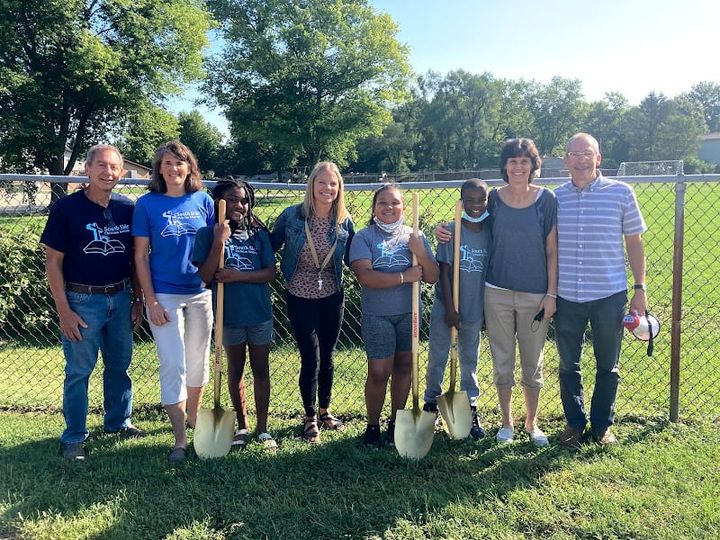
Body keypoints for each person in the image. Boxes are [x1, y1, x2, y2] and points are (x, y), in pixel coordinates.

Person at [436, 138, 558, 448]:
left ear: (533, 165)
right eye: (513, 161)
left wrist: (551, 294)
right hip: (498, 293)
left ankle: (532, 423)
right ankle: (506, 423)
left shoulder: (547, 200)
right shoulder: (495, 202)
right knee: (503, 362)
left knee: (533, 363)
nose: (519, 166)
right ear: (505, 166)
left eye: (525, 161)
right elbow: (468, 219)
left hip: (535, 294)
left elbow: (552, 249)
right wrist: (443, 229)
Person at [41, 144, 146, 461]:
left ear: (122, 173)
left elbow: (137, 259)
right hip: (81, 300)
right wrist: (65, 311)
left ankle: (118, 423)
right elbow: (52, 262)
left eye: (114, 167)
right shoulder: (66, 209)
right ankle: (74, 437)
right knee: (79, 371)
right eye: (101, 165)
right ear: (86, 169)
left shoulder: (128, 208)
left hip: (120, 296)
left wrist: (137, 299)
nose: (108, 172)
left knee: (119, 366)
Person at [555, 133, 647, 449]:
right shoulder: (555, 198)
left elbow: (634, 243)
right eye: (574, 153)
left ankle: (602, 426)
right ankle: (574, 424)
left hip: (609, 294)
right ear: (566, 160)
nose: (581, 159)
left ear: (598, 158)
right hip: (566, 295)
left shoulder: (621, 193)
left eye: (587, 153)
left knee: (608, 364)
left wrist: (640, 288)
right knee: (568, 364)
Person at [132, 140, 215, 465]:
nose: (173, 168)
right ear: (159, 169)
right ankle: (179, 439)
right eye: (166, 163)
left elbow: (213, 251)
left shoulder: (203, 201)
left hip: (199, 292)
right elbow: (140, 257)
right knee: (173, 363)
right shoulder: (147, 204)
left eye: (179, 163)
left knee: (198, 362)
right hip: (164, 294)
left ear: (189, 167)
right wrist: (149, 300)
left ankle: (194, 420)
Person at [270, 161, 355, 444]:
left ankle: (325, 410)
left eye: (333, 184)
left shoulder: (344, 220)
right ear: (311, 185)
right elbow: (268, 246)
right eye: (322, 183)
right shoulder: (293, 216)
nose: (327, 188)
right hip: (300, 294)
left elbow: (355, 257)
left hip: (332, 295)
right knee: (310, 356)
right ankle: (309, 417)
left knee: (328, 356)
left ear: (339, 188)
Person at [350, 184, 439, 449]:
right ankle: (372, 426)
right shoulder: (364, 237)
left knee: (404, 368)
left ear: (403, 207)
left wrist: (420, 252)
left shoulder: (415, 236)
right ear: (375, 207)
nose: (389, 208)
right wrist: (404, 277)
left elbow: (432, 277)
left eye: (395, 203)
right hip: (378, 315)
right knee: (379, 372)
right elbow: (365, 277)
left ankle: (396, 422)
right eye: (383, 203)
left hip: (409, 314)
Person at [193, 177, 278, 451]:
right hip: (229, 317)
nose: (239, 205)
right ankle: (242, 425)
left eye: (243, 200)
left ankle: (263, 429)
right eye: (232, 199)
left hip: (259, 314)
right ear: (219, 201)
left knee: (261, 369)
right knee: (235, 369)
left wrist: (237, 276)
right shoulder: (207, 234)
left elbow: (270, 273)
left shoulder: (258, 234)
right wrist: (219, 242)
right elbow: (206, 276)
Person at [423, 179, 491, 440]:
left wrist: (485, 311)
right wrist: (450, 309)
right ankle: (430, 404)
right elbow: (444, 271)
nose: (476, 205)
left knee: (469, 360)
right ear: (461, 202)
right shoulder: (451, 231)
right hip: (446, 306)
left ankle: (469, 409)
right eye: (470, 200)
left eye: (481, 199)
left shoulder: (489, 232)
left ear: (487, 201)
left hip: (475, 307)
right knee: (438, 357)